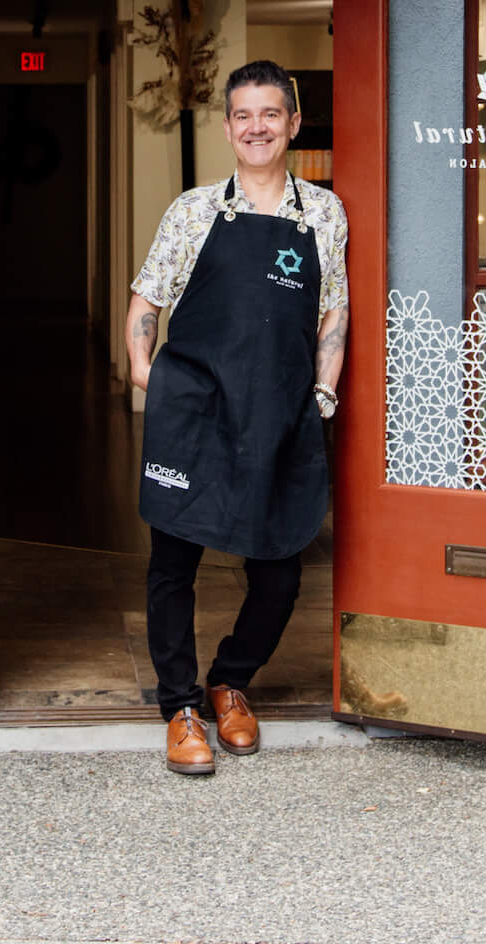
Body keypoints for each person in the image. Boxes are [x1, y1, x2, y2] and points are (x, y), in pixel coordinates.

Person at [127, 59, 347, 776]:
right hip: (194, 415)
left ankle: (230, 680)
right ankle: (181, 705)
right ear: (229, 127)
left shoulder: (323, 213)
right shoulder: (193, 211)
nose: (257, 127)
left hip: (279, 415)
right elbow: (147, 304)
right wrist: (146, 379)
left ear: (292, 123)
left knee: (280, 571)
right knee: (173, 565)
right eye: (244, 116)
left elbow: (332, 315)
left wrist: (320, 397)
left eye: (270, 114)